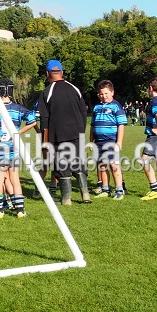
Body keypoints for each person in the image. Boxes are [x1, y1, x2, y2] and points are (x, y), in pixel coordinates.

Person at [38, 60, 91, 206]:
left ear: (48, 74)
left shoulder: (47, 92)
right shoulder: (75, 89)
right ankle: (85, 194)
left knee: (62, 166)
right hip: (77, 133)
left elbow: (44, 119)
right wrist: (81, 131)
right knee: (78, 163)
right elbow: (83, 112)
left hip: (57, 136)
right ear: (62, 72)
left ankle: (66, 199)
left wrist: (45, 141)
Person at [0, 79, 36, 218]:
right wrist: (18, 133)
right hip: (13, 147)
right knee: (15, 178)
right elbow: (33, 120)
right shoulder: (18, 108)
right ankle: (20, 210)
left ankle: (0, 210)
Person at [90, 80, 127, 200]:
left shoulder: (116, 106)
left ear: (112, 92)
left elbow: (121, 125)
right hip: (99, 142)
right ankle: (105, 189)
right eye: (101, 94)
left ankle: (119, 190)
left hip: (110, 141)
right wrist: (91, 141)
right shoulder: (96, 107)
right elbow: (92, 126)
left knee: (113, 165)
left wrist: (119, 142)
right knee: (102, 165)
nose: (104, 96)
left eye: (106, 93)